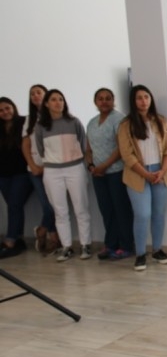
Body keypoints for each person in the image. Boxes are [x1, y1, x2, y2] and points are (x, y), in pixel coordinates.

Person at [118, 85, 167, 272]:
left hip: (160, 173)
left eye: (146, 97)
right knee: (142, 214)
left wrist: (161, 171)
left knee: (158, 214)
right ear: (133, 102)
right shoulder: (126, 125)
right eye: (139, 98)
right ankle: (141, 254)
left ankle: (157, 250)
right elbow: (127, 155)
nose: (143, 101)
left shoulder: (161, 121)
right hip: (137, 175)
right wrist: (146, 174)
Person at [33, 89, 93, 262]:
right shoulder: (40, 126)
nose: (58, 102)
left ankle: (85, 245)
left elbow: (83, 145)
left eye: (61, 99)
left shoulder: (74, 122)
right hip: (52, 171)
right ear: (46, 104)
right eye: (53, 99)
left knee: (81, 208)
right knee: (60, 211)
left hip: (75, 168)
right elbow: (40, 149)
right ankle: (67, 246)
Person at [85, 88, 134, 260]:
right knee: (106, 210)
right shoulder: (91, 122)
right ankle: (110, 244)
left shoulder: (119, 119)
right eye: (100, 98)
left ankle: (126, 246)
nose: (104, 101)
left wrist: (104, 166)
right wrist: (91, 166)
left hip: (116, 172)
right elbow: (88, 148)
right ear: (95, 102)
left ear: (113, 100)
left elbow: (121, 147)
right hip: (98, 174)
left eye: (108, 98)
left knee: (121, 209)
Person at [21, 84, 59, 253]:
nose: (35, 96)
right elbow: (26, 143)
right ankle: (53, 236)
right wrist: (32, 165)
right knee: (47, 205)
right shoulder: (29, 119)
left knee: (55, 205)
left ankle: (43, 230)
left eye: (39, 92)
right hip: (35, 169)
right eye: (32, 94)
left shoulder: (55, 117)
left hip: (54, 167)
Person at [0, 97, 32, 258]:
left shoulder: (23, 122)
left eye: (7, 108)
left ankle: (10, 240)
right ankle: (18, 239)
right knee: (13, 206)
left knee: (14, 204)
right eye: (1, 110)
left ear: (13, 107)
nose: (5, 112)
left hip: (22, 172)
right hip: (4, 174)